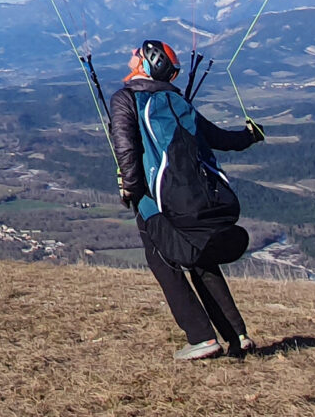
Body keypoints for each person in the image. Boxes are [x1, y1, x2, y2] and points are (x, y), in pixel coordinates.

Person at [110, 39, 265, 361]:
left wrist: (131, 189)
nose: (130, 57)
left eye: (135, 54)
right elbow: (220, 139)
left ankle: (202, 337)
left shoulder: (126, 99)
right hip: (197, 197)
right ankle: (236, 336)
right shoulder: (176, 100)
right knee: (201, 258)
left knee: (164, 261)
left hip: (157, 199)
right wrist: (250, 135)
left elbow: (125, 148)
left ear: (147, 62)